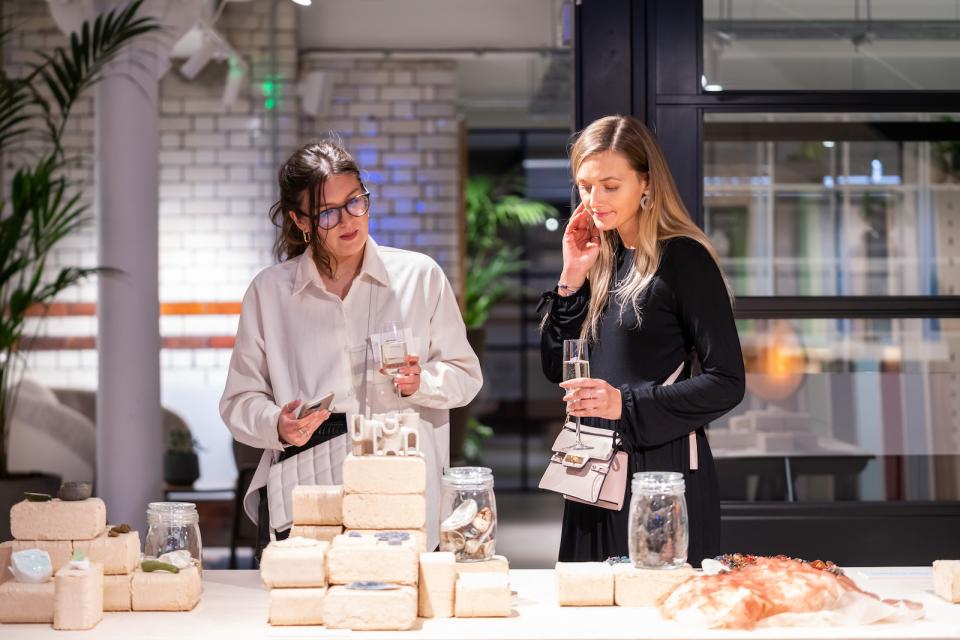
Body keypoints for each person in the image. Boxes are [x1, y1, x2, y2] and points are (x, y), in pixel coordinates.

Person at [220, 141, 482, 557]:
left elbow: (465, 377)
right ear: (300, 220)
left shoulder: (419, 276)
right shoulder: (270, 293)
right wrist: (278, 424)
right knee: (309, 609)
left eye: (355, 202)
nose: (348, 220)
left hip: (402, 485)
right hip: (310, 493)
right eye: (328, 212)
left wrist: (421, 382)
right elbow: (238, 401)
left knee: (396, 608)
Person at [539, 115, 745, 565]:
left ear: (646, 183)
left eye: (610, 185)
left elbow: (728, 381)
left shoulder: (684, 259)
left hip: (658, 475)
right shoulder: (601, 258)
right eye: (585, 186)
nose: (594, 200)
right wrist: (570, 278)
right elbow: (558, 369)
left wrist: (625, 405)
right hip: (592, 466)